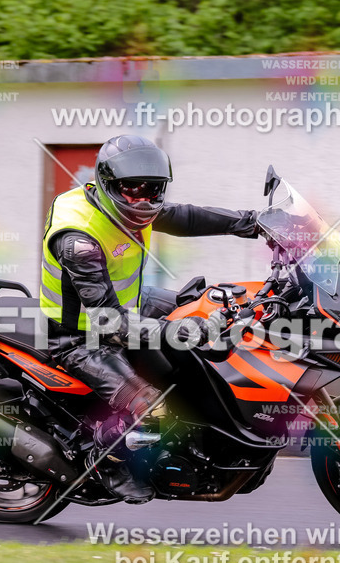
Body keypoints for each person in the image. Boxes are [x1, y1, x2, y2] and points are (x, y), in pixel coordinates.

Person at [40, 135, 258, 502]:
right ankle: (106, 459)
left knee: (202, 306)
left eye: (152, 190)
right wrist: (184, 330)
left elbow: (184, 216)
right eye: (130, 189)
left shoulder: (130, 206)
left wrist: (253, 223)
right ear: (108, 185)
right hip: (80, 337)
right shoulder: (79, 239)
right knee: (152, 409)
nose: (142, 199)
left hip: (131, 306)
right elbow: (109, 324)